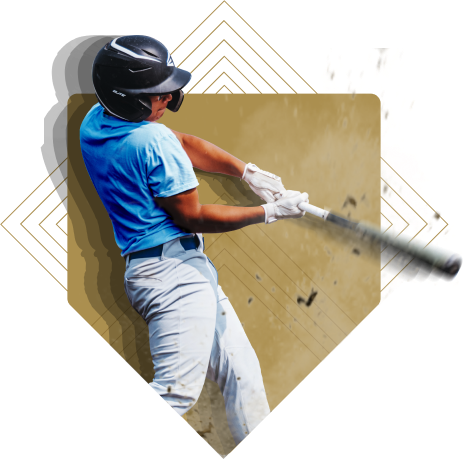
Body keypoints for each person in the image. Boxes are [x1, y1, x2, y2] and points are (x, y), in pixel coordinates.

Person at [80, 35, 309, 445]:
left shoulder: (95, 122)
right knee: (175, 394)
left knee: (243, 376)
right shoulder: (152, 142)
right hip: (173, 280)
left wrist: (247, 173)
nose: (168, 96)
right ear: (127, 97)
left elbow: (181, 143)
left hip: (167, 273)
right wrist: (269, 212)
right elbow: (193, 215)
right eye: (155, 92)